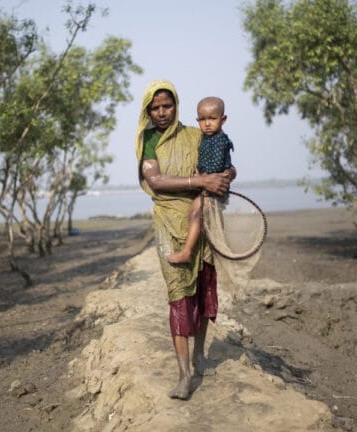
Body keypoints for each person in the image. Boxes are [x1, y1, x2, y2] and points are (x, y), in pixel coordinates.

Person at [136, 80, 235, 399]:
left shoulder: (196, 134)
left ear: (176, 106)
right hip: (169, 221)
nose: (162, 112)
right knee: (178, 294)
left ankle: (199, 355)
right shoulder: (149, 140)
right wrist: (200, 181)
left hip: (202, 218)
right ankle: (184, 374)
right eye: (155, 108)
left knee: (204, 287)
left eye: (167, 106)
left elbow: (226, 165)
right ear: (148, 111)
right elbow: (156, 180)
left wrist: (225, 177)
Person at [167, 96, 233, 264]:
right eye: (202, 120)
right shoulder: (206, 137)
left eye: (212, 118)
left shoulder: (219, 141)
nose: (207, 124)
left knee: (195, 214)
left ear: (223, 119)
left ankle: (187, 252)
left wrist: (201, 179)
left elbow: (216, 167)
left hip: (213, 190)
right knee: (196, 215)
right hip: (207, 188)